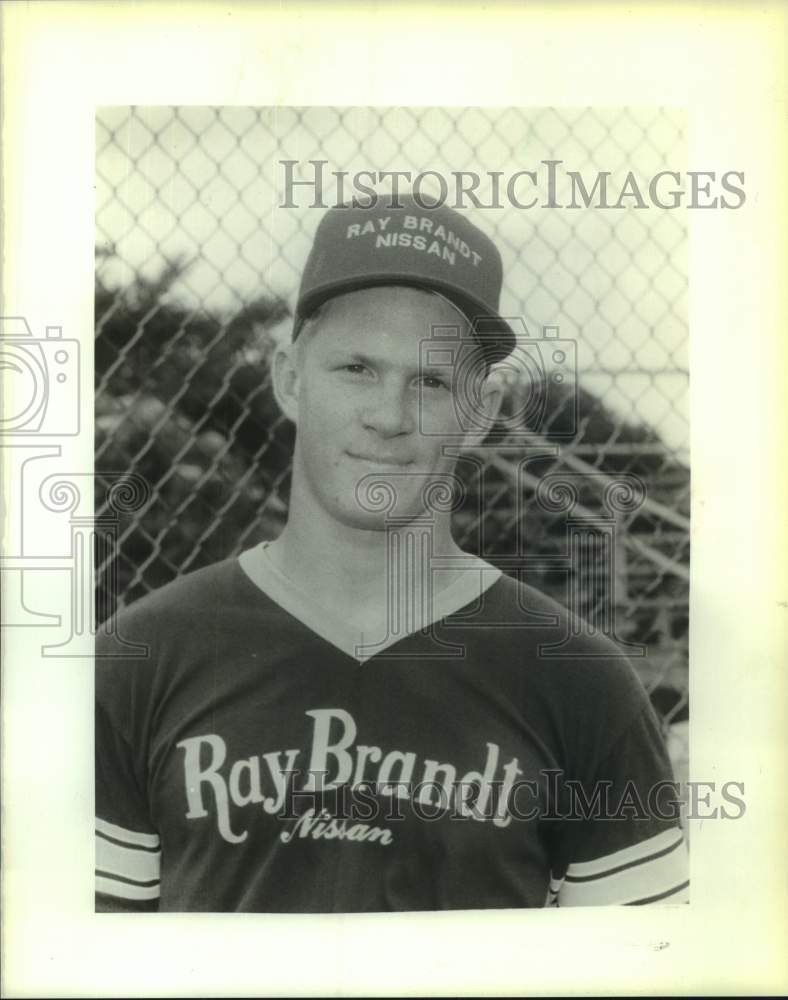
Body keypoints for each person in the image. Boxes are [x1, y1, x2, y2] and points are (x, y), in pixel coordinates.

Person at [95, 194, 688, 912]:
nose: (388, 416)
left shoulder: (583, 685)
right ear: (289, 379)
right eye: (355, 368)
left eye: (432, 381)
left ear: (481, 414)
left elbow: (636, 973)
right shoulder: (137, 660)